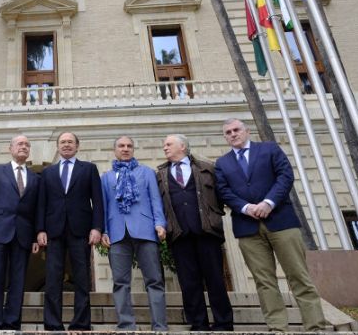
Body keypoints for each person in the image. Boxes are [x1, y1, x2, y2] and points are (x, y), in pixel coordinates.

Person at [215, 118, 325, 332]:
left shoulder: (269, 149)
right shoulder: (222, 163)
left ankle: (315, 327)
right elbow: (223, 191)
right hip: (248, 228)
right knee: (264, 282)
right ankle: (277, 328)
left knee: (298, 275)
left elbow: (285, 176)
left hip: (281, 222)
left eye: (236, 130)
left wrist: (268, 203)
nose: (233, 134)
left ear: (247, 131)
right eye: (228, 132)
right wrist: (246, 207)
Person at [157, 134, 233, 331]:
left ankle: (224, 322)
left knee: (215, 278)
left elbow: (222, 194)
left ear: (182, 146)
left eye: (168, 144)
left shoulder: (207, 168)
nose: (165, 148)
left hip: (207, 232)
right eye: (164, 145)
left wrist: (215, 216)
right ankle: (198, 323)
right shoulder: (160, 174)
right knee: (188, 282)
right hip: (179, 234)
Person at [37, 132, 104, 331]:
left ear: (77, 146)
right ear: (58, 146)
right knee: (52, 278)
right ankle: (52, 323)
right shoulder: (48, 172)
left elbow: (98, 202)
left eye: (70, 142)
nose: (66, 145)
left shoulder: (89, 169)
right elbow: (42, 203)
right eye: (63, 142)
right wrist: (40, 229)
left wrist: (97, 227)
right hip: (53, 231)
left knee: (82, 278)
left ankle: (81, 323)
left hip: (81, 230)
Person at [100, 136, 168, 331]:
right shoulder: (106, 177)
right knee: (120, 282)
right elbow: (103, 207)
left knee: (154, 280)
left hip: (146, 231)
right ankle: (126, 325)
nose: (126, 149)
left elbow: (156, 200)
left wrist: (160, 223)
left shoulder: (146, 172)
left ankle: (160, 326)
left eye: (129, 146)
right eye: (121, 146)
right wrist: (104, 230)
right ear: (115, 150)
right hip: (117, 233)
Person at [0, 135, 43, 330]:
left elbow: (37, 209)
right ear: (11, 148)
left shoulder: (35, 177)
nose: (24, 147)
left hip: (23, 234)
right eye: (20, 144)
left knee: (18, 281)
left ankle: (12, 321)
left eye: (27, 144)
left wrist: (35, 236)